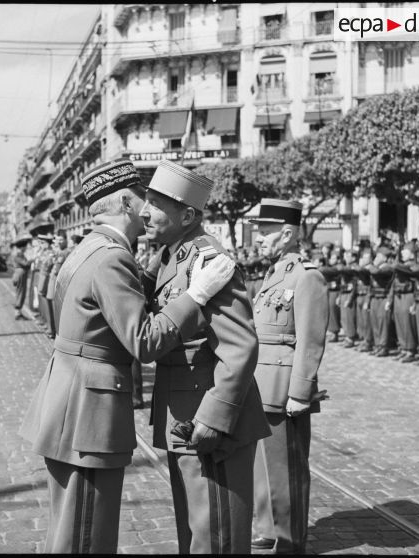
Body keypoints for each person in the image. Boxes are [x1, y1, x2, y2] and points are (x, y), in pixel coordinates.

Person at [19, 159, 235, 554]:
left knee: (72, 530)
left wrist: (161, 265)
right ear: (124, 202)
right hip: (87, 416)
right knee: (86, 536)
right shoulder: (112, 258)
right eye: (143, 198)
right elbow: (144, 342)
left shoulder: (92, 247)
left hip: (68, 405)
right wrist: (196, 294)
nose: (149, 207)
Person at [139, 160, 271, 554]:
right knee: (196, 534)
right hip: (183, 417)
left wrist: (214, 418)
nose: (145, 211)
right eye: (146, 200)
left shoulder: (207, 260)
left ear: (188, 215)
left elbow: (239, 346)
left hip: (209, 422)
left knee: (217, 537)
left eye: (157, 204)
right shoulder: (169, 257)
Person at [249, 199, 329, 555]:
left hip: (284, 389)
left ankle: (291, 538)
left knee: (286, 470)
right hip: (260, 384)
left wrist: (300, 392)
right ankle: (269, 526)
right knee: (263, 467)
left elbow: (311, 340)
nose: (259, 236)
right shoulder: (276, 271)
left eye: (265, 231)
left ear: (286, 233)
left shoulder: (306, 275)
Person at [389, 241, 418, 363]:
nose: (402, 253)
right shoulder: (402, 265)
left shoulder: (412, 265)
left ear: (412, 255)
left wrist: (395, 253)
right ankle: (403, 348)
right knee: (400, 322)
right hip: (398, 296)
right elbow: (394, 282)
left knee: (407, 324)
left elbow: (397, 266)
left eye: (405, 252)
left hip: (408, 295)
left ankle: (410, 349)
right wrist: (390, 298)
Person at [367, 246, 395, 357]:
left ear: (384, 257)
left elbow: (377, 272)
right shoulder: (376, 267)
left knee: (383, 323)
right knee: (375, 322)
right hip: (375, 297)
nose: (376, 258)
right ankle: (377, 345)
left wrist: (371, 265)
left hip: (384, 298)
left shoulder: (387, 268)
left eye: (378, 256)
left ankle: (384, 346)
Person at [45, 231, 71, 338]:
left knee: (59, 310)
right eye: (58, 240)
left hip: (60, 283)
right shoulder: (57, 251)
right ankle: (52, 330)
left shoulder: (68, 252)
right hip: (53, 281)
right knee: (50, 306)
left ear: (65, 239)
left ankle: (57, 332)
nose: (59, 242)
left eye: (61, 240)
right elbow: (48, 265)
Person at [355, 249, 375, 353]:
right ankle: (363, 339)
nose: (363, 259)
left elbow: (372, 286)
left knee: (367, 321)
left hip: (367, 296)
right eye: (362, 257)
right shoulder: (362, 268)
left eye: (366, 257)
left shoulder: (371, 269)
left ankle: (368, 342)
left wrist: (368, 300)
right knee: (361, 321)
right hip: (360, 295)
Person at [339, 250, 359, 348]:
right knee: (344, 317)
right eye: (345, 255)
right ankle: (347, 336)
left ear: (354, 258)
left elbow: (355, 285)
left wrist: (350, 298)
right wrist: (339, 296)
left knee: (349, 317)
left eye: (348, 255)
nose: (345, 257)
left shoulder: (354, 268)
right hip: (343, 293)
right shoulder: (345, 267)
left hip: (349, 294)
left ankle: (351, 337)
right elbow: (342, 283)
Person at [11, 234, 34, 320]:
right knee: (20, 292)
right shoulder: (18, 255)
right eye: (25, 247)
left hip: (21, 274)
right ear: (22, 247)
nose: (26, 248)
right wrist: (33, 259)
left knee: (21, 292)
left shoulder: (20, 254)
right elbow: (25, 263)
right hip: (20, 274)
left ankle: (18, 311)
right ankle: (17, 312)